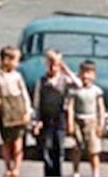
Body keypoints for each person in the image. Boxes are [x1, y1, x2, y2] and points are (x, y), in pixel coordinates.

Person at [0, 45, 32, 177]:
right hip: (4, 110)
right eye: (15, 60)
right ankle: (8, 166)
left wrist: (28, 111)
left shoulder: (17, 76)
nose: (17, 63)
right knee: (6, 141)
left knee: (18, 141)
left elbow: (24, 94)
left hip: (18, 108)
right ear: (6, 60)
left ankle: (17, 168)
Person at [32, 49, 81, 177]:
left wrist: (65, 68)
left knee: (59, 149)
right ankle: (48, 173)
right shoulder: (42, 81)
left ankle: (58, 173)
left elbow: (79, 84)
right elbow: (37, 102)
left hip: (60, 119)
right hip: (46, 119)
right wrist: (36, 121)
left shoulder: (64, 80)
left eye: (56, 65)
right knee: (46, 149)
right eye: (51, 64)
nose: (53, 68)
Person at [67, 61, 106, 177]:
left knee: (93, 150)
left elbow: (101, 108)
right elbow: (70, 107)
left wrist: (101, 124)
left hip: (92, 121)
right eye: (83, 72)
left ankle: (95, 172)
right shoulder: (75, 90)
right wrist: (70, 122)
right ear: (79, 74)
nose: (86, 76)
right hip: (78, 120)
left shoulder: (96, 91)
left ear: (94, 75)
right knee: (77, 148)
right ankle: (76, 171)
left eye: (89, 73)